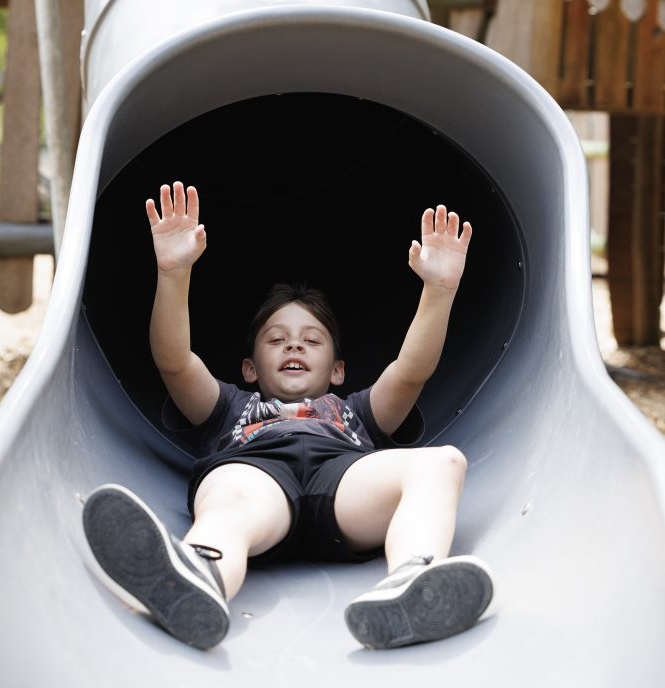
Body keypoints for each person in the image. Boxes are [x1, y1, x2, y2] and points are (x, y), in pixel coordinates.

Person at [82, 181, 494, 651]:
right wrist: (174, 274)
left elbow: (411, 371)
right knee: (231, 497)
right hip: (259, 476)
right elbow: (174, 361)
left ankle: (412, 582)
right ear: (249, 368)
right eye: (276, 339)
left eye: (312, 340)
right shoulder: (229, 408)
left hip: (344, 483)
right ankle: (198, 572)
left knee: (442, 462)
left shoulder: (357, 411)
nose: (294, 345)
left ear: (338, 370)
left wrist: (439, 291)